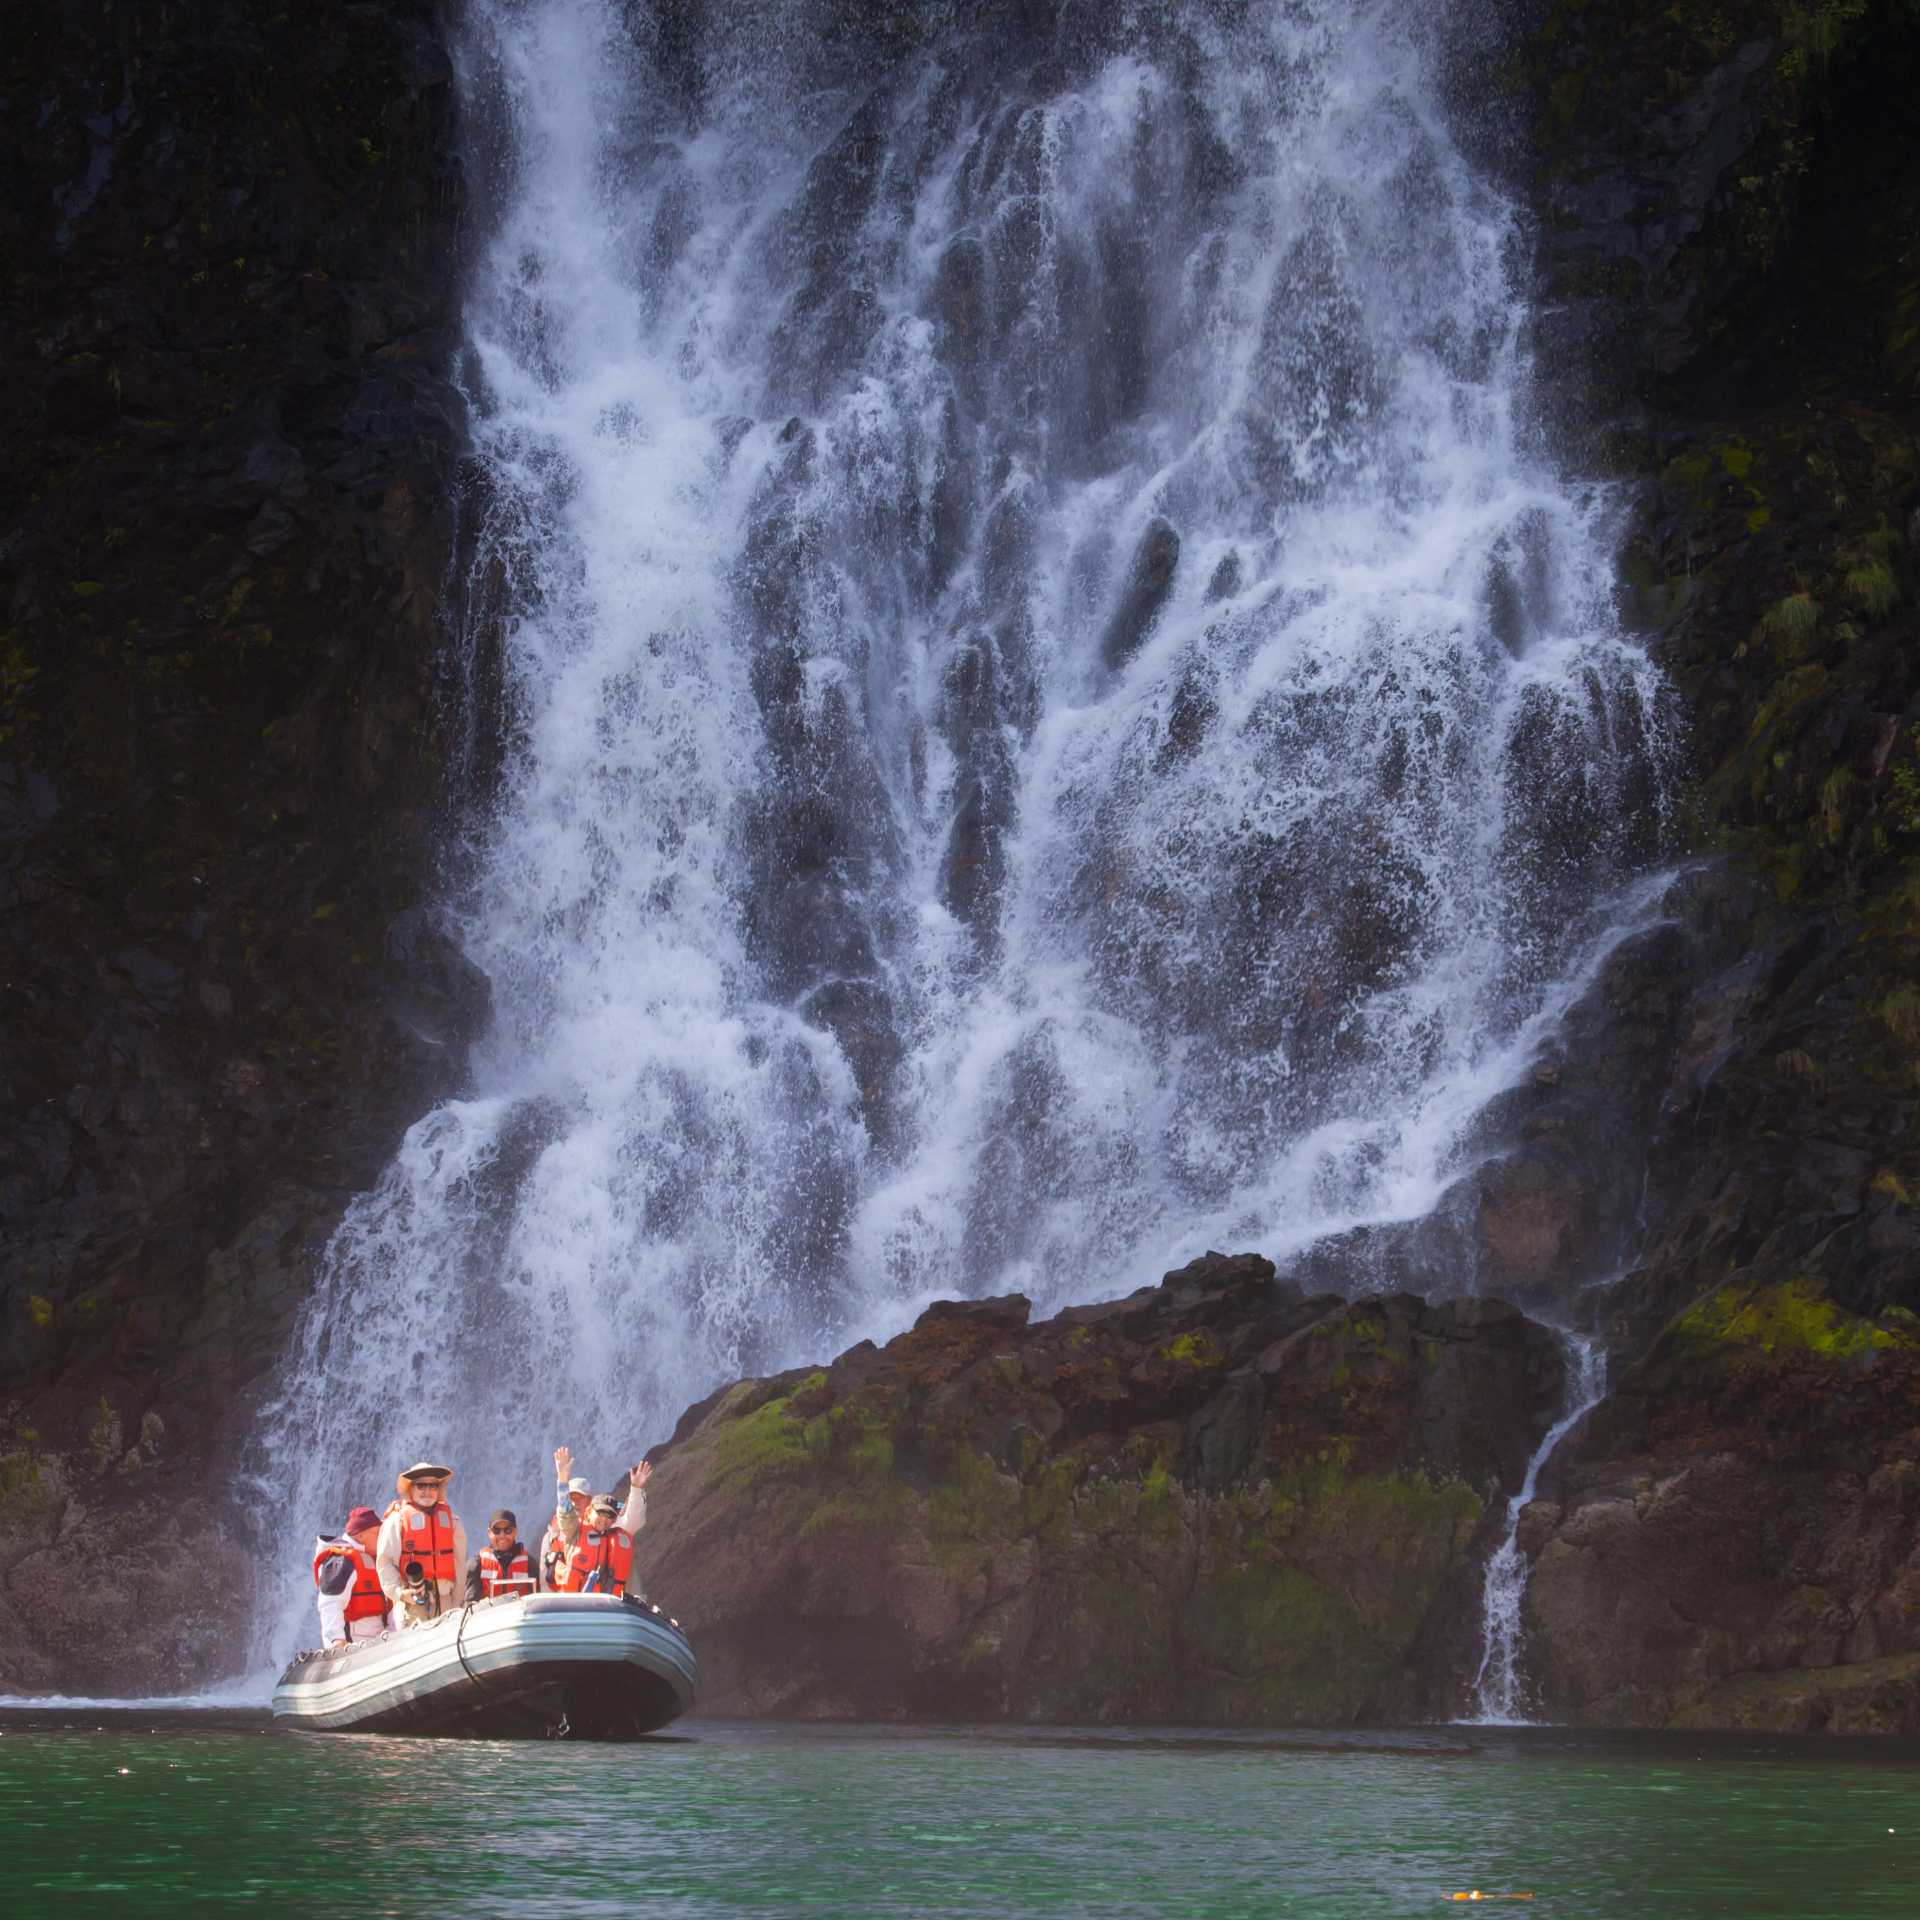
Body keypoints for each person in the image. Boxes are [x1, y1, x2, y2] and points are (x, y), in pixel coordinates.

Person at [377, 1460, 467, 1625]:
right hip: (411, 1604)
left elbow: (460, 1564)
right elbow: (385, 1562)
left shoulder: (453, 1522)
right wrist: (399, 1593)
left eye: (433, 1486)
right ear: (410, 1488)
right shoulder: (396, 1521)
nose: (428, 1491)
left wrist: (457, 1601)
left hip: (446, 1602)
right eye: (421, 1485)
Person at [557, 1455, 652, 1600]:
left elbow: (634, 1518)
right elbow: (565, 1512)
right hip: (575, 1604)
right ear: (590, 1511)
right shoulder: (574, 1530)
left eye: (609, 1515)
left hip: (610, 1606)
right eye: (600, 1512)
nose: (604, 1519)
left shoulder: (617, 1530)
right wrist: (562, 1479)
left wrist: (636, 1489)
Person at [311, 1505, 390, 1648]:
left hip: (378, 1642)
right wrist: (336, 1640)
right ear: (360, 1536)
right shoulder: (340, 1560)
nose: (383, 1538)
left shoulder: (372, 1558)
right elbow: (330, 1603)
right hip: (353, 1646)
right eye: (378, 1533)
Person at [540, 1450, 595, 1590]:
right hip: (563, 1598)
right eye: (571, 1498)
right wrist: (562, 1478)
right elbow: (544, 1577)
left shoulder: (601, 1529)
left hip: (593, 1599)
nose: (575, 1503)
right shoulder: (552, 1535)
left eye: (580, 1498)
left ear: (590, 1500)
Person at [467, 1508, 537, 1602]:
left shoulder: (529, 1563)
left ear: (515, 1532)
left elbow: (536, 1601)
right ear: (489, 1533)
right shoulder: (477, 1563)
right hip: (489, 1611)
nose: (502, 1535)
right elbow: (471, 1603)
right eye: (496, 1530)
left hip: (519, 1611)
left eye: (508, 1530)